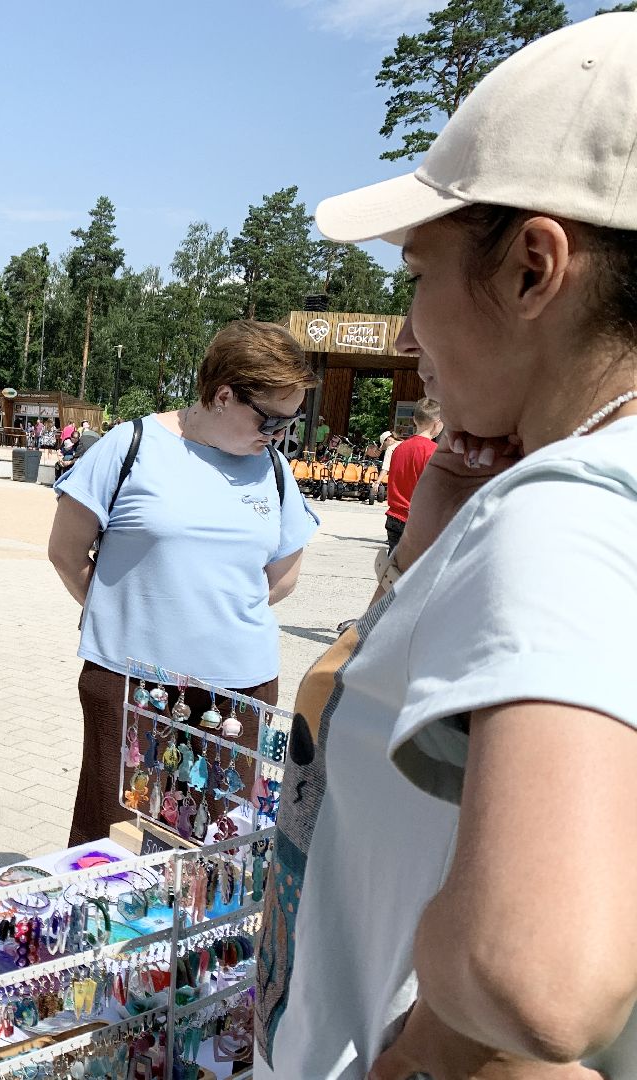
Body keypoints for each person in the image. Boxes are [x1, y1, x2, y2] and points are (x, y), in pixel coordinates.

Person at [254, 16, 637, 1079]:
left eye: (417, 274)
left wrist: (421, 1048)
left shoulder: (570, 509)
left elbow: (539, 978)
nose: (410, 333)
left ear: (530, 270)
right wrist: (431, 567)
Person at [47, 320, 319, 845]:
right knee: (113, 837)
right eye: (271, 419)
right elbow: (65, 551)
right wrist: (124, 610)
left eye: (291, 421)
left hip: (239, 691)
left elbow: (281, 578)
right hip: (131, 681)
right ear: (222, 396)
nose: (279, 434)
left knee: (217, 849)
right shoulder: (132, 445)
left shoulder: (275, 470)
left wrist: (208, 615)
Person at [382, 397, 440, 552]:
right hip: (418, 520)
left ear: (414, 420)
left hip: (394, 517)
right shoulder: (433, 451)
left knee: (395, 570)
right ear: (438, 423)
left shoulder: (398, 449)